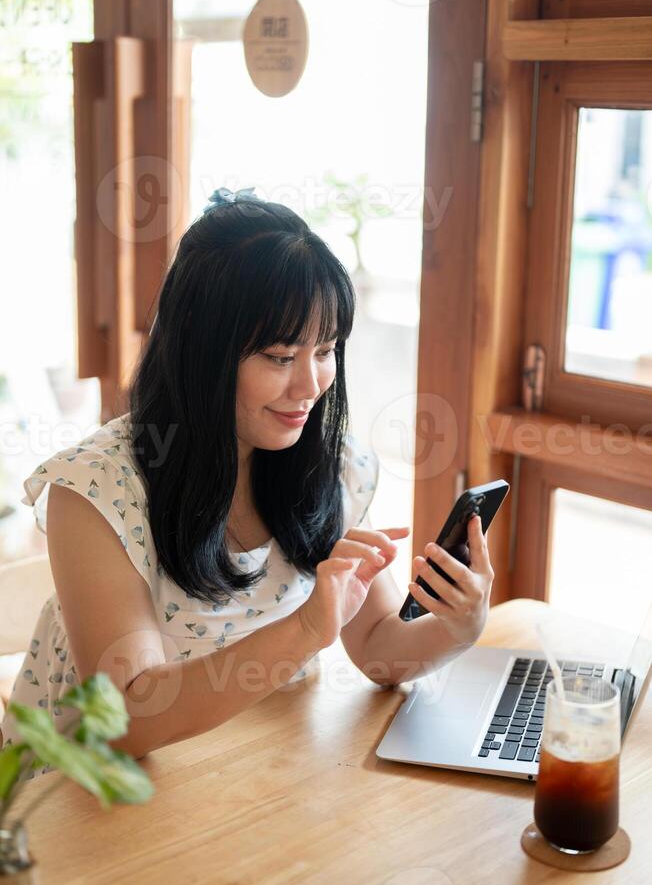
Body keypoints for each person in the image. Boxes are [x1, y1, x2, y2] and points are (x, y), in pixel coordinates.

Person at [0, 188, 494, 779]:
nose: (311, 385)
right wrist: (308, 627)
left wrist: (460, 626)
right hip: (91, 797)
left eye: (327, 350)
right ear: (203, 354)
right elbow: (123, 719)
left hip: (250, 773)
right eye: (281, 357)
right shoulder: (98, 489)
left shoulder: (327, 468)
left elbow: (383, 650)